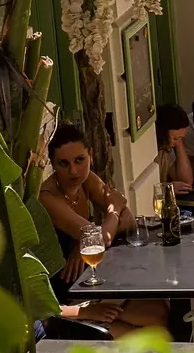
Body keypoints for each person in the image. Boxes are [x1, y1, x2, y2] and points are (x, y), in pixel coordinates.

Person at [38, 123, 166, 335]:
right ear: (53, 164)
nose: (73, 170)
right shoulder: (48, 197)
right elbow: (104, 237)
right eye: (63, 163)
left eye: (80, 160)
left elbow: (129, 220)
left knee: (158, 314)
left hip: (91, 283)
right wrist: (112, 210)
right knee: (150, 333)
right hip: (64, 302)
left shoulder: (87, 180)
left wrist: (84, 239)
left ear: (90, 154)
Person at [155, 104, 194, 190]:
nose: (177, 143)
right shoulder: (151, 150)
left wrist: (179, 142)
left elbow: (186, 182)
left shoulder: (166, 152)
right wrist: (167, 188)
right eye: (175, 138)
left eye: (181, 138)